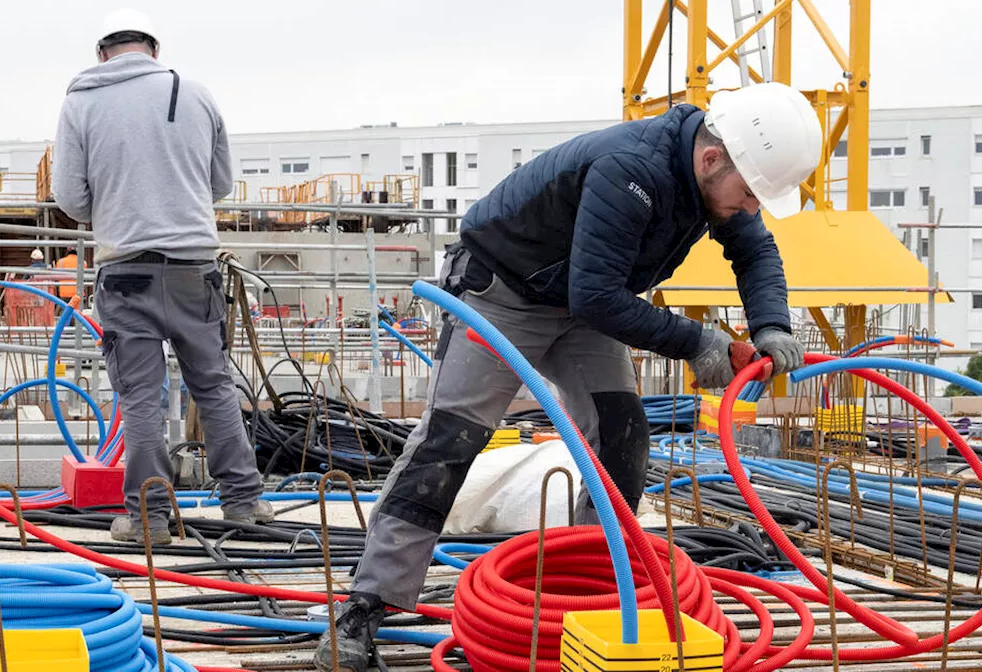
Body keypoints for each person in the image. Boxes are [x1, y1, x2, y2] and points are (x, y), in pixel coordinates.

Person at [314, 82, 820, 671]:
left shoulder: (716, 177)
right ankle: (363, 607)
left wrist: (772, 326)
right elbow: (599, 294)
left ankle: (596, 589)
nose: (751, 208)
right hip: (502, 291)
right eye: (751, 193)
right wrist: (697, 342)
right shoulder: (632, 167)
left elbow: (755, 252)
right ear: (711, 159)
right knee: (449, 444)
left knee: (622, 438)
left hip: (581, 301)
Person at [52, 8, 271, 545]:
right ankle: (243, 502)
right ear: (154, 47)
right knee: (214, 387)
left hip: (125, 271)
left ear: (102, 52)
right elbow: (220, 183)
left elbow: (71, 200)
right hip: (195, 269)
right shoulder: (195, 93)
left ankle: (149, 520)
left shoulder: (80, 101)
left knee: (141, 400)